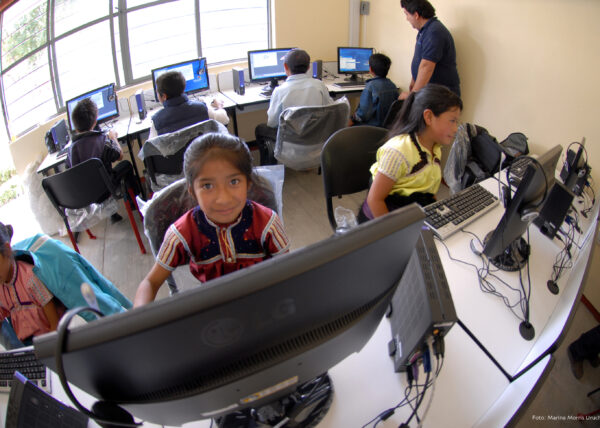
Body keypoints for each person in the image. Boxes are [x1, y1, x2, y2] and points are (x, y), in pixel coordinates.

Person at [133, 133, 290, 307]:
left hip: (262, 301)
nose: (223, 199)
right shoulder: (181, 233)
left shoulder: (268, 223)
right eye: (207, 186)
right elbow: (150, 282)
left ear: (248, 183)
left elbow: (289, 270)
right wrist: (139, 316)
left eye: (234, 181)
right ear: (192, 191)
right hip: (213, 308)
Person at [358, 84, 462, 222]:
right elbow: (375, 200)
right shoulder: (398, 152)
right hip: (382, 221)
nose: (455, 129)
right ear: (429, 117)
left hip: (410, 214)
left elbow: (427, 187)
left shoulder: (435, 147)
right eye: (452, 121)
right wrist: (396, 235)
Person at [254, 49, 333, 164]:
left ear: (285, 67)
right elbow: (330, 108)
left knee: (260, 129)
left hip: (292, 141)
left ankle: (269, 169)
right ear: (308, 67)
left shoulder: (280, 91)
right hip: (315, 138)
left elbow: (272, 123)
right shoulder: (319, 86)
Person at [67, 98, 139, 223]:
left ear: (75, 127)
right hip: (106, 190)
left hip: (85, 196)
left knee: (97, 175)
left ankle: (113, 214)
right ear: (95, 121)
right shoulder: (102, 141)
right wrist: (113, 137)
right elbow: (119, 155)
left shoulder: (70, 150)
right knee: (126, 165)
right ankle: (134, 202)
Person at [0, 222, 64, 348]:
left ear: (7, 251)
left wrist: (52, 345)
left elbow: (53, 318)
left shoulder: (30, 277)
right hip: (28, 341)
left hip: (49, 338)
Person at [398, 0, 461, 100]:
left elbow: (426, 66)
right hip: (430, 93)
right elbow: (420, 60)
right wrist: (414, 80)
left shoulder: (434, 32)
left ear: (416, 15)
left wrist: (412, 96)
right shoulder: (424, 31)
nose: (407, 19)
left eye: (407, 14)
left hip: (441, 97)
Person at [149, 70, 229, 137]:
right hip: (202, 155)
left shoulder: (157, 122)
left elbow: (150, 149)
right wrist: (219, 107)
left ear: (164, 96)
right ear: (183, 88)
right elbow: (225, 119)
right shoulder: (201, 108)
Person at [349, 53, 399, 127]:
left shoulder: (370, 87)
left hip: (372, 127)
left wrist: (351, 120)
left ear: (370, 69)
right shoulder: (393, 85)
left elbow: (363, 114)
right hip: (387, 127)